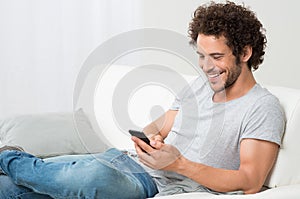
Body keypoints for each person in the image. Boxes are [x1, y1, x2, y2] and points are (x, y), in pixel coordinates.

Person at [0, 1, 285, 199]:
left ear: (245, 53)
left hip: (147, 183)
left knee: (91, 180)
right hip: (124, 161)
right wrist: (152, 140)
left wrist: (178, 164)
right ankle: (14, 162)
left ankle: (7, 156)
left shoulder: (262, 107)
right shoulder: (198, 88)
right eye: (201, 55)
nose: (206, 66)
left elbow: (250, 180)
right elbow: (156, 127)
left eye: (217, 57)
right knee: (7, 189)